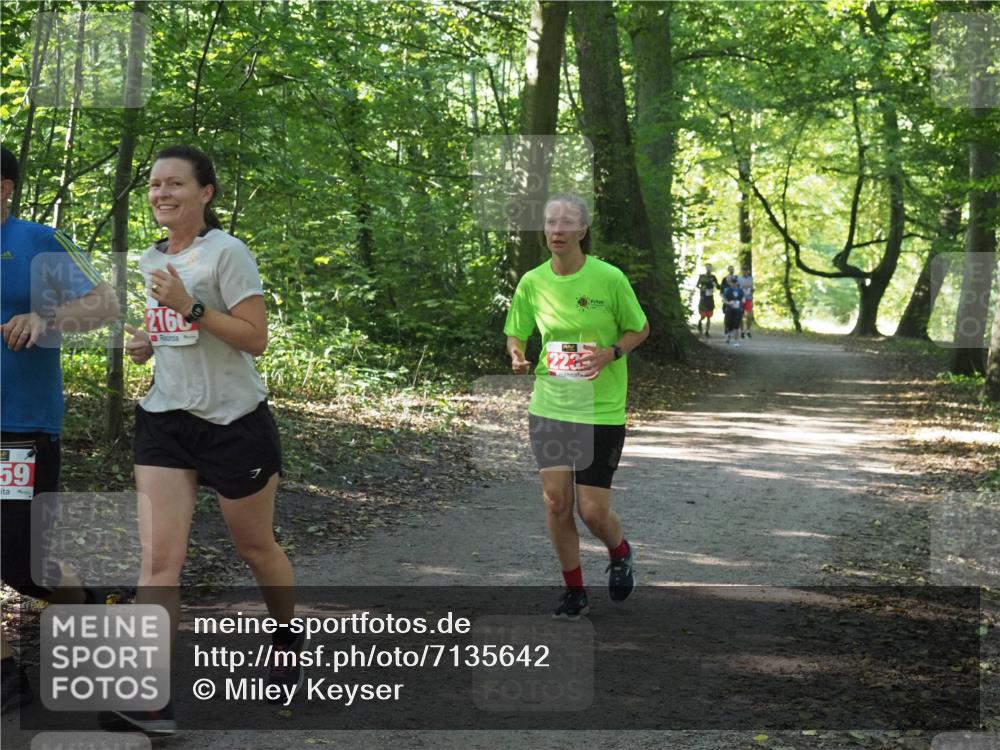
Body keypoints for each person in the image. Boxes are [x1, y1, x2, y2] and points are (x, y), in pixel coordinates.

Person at [107, 146, 297, 735]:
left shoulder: (227, 253)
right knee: (160, 561)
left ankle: (286, 637)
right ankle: (150, 700)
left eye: (175, 185)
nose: (162, 194)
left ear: (205, 193)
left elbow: (254, 338)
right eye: (154, 186)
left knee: (255, 548)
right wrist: (148, 342)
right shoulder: (149, 257)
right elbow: (172, 336)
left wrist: (188, 306)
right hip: (166, 420)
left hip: (233, 422)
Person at [0, 145, 119, 712]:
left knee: (26, 564)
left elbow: (105, 304)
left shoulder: (38, 241)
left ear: (5, 188)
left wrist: (43, 317)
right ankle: (5, 677)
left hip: (19, 426)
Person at [504, 193, 649, 620]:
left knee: (592, 510)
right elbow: (517, 330)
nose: (558, 230)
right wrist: (516, 353)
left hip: (600, 409)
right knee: (555, 502)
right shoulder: (532, 281)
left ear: (583, 230)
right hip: (550, 404)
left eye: (567, 223)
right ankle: (574, 591)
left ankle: (620, 552)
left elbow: (639, 328)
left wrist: (610, 353)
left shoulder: (609, 278)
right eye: (551, 222)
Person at [695, 263, 720, 338]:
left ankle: (707, 331)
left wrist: (716, 285)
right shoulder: (702, 276)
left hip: (710, 298)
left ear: (711, 268)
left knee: (709, 316)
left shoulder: (713, 277)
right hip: (703, 298)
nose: (708, 269)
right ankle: (699, 322)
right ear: (705, 268)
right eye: (707, 267)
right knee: (703, 316)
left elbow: (718, 287)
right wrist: (701, 288)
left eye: (710, 267)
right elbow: (697, 285)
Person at [722, 278, 745, 346]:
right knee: (728, 324)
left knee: (737, 325)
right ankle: (728, 335)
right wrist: (729, 303)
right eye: (732, 283)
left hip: (738, 310)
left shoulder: (740, 291)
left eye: (735, 282)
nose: (734, 284)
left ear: (737, 283)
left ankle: (736, 341)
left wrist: (743, 301)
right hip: (729, 310)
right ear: (730, 283)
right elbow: (724, 299)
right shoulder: (727, 290)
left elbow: (743, 298)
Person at [737, 264, 754, 338]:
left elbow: (751, 287)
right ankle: (742, 331)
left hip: (749, 298)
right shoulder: (739, 279)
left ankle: (748, 331)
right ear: (742, 271)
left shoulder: (751, 278)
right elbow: (736, 287)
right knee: (741, 315)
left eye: (746, 270)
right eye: (743, 270)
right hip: (741, 299)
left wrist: (752, 290)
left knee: (749, 315)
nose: (745, 272)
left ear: (748, 271)